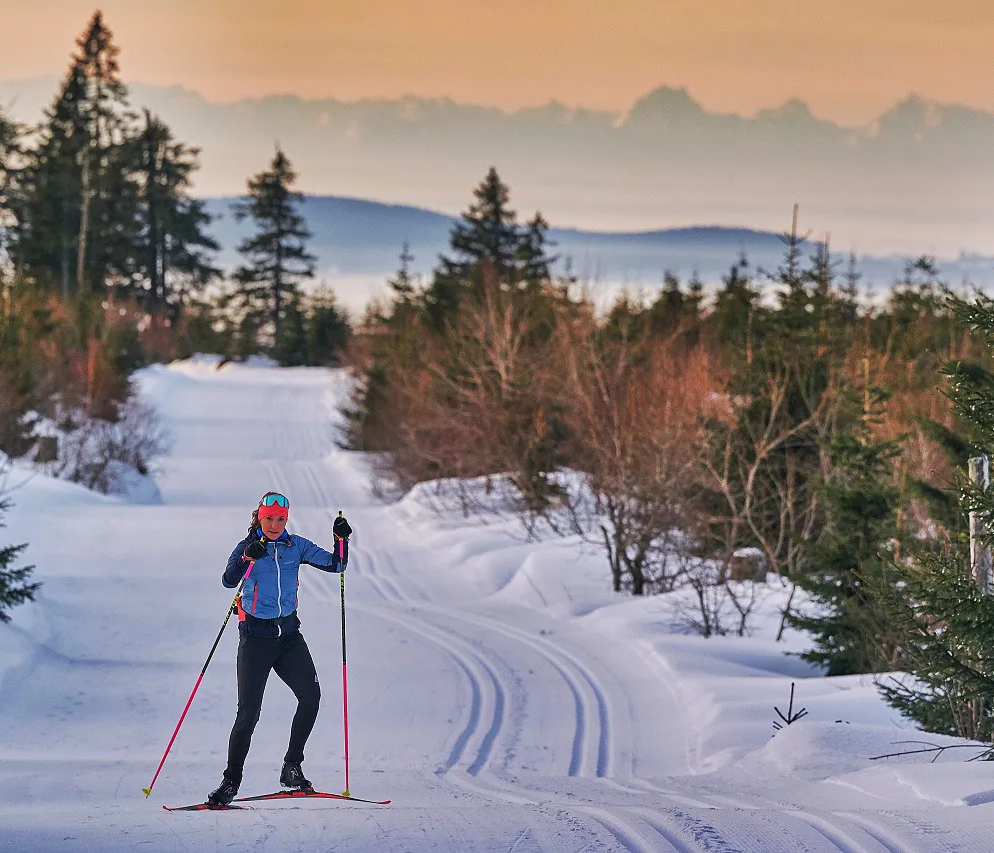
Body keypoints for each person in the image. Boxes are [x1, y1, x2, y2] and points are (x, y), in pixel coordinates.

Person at [207, 491, 349, 806]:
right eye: (269, 517)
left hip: (288, 638)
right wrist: (248, 558)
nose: (274, 524)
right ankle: (231, 781)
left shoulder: (294, 546)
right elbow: (228, 581)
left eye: (280, 519)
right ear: (259, 516)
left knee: (311, 696)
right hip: (256, 639)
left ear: (287, 519)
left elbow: (337, 564)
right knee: (249, 714)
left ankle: (292, 767)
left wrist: (341, 540)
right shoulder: (247, 548)